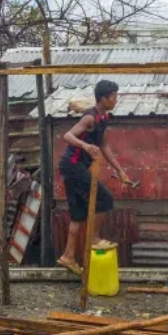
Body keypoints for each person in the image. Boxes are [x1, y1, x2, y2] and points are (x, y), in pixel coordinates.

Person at [56, 80, 131, 275]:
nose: (116, 100)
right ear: (104, 98)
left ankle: (68, 256)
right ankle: (94, 237)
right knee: (105, 199)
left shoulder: (103, 118)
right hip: (72, 164)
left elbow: (104, 146)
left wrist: (120, 171)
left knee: (78, 213)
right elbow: (68, 136)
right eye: (114, 97)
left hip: (76, 167)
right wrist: (85, 146)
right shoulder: (90, 118)